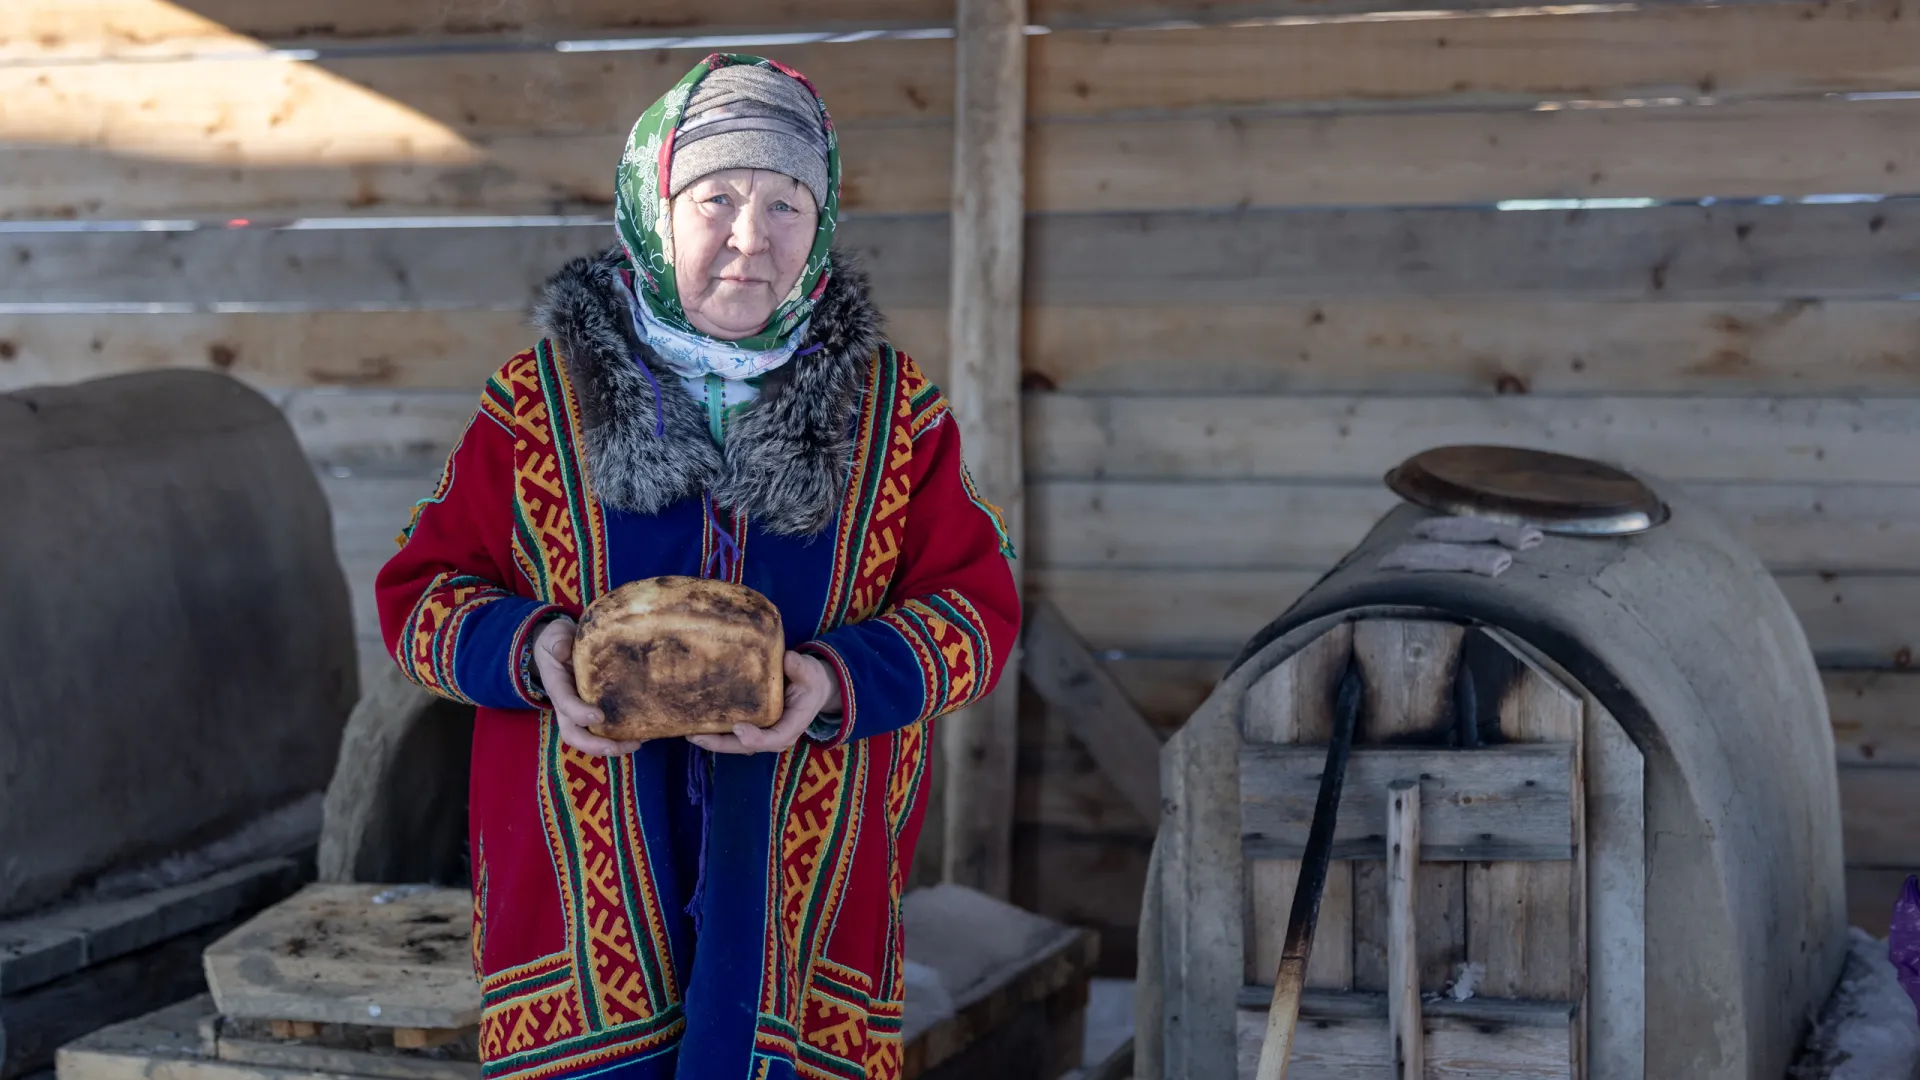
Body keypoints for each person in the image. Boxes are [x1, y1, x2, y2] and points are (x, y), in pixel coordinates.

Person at [376, 54, 1020, 1080]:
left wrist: (834, 681)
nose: (750, 240)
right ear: (652, 207)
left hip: (809, 893)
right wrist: (534, 648)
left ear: (822, 225)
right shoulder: (536, 403)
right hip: (584, 909)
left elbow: (980, 612)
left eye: (786, 204)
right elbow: (419, 596)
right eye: (716, 198)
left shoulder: (897, 414)